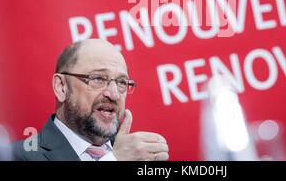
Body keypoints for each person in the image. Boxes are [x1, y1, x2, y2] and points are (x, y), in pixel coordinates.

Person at [13, 39, 169, 161]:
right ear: (61, 87)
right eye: (98, 79)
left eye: (121, 82)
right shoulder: (15, 156)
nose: (114, 94)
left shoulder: (139, 156)